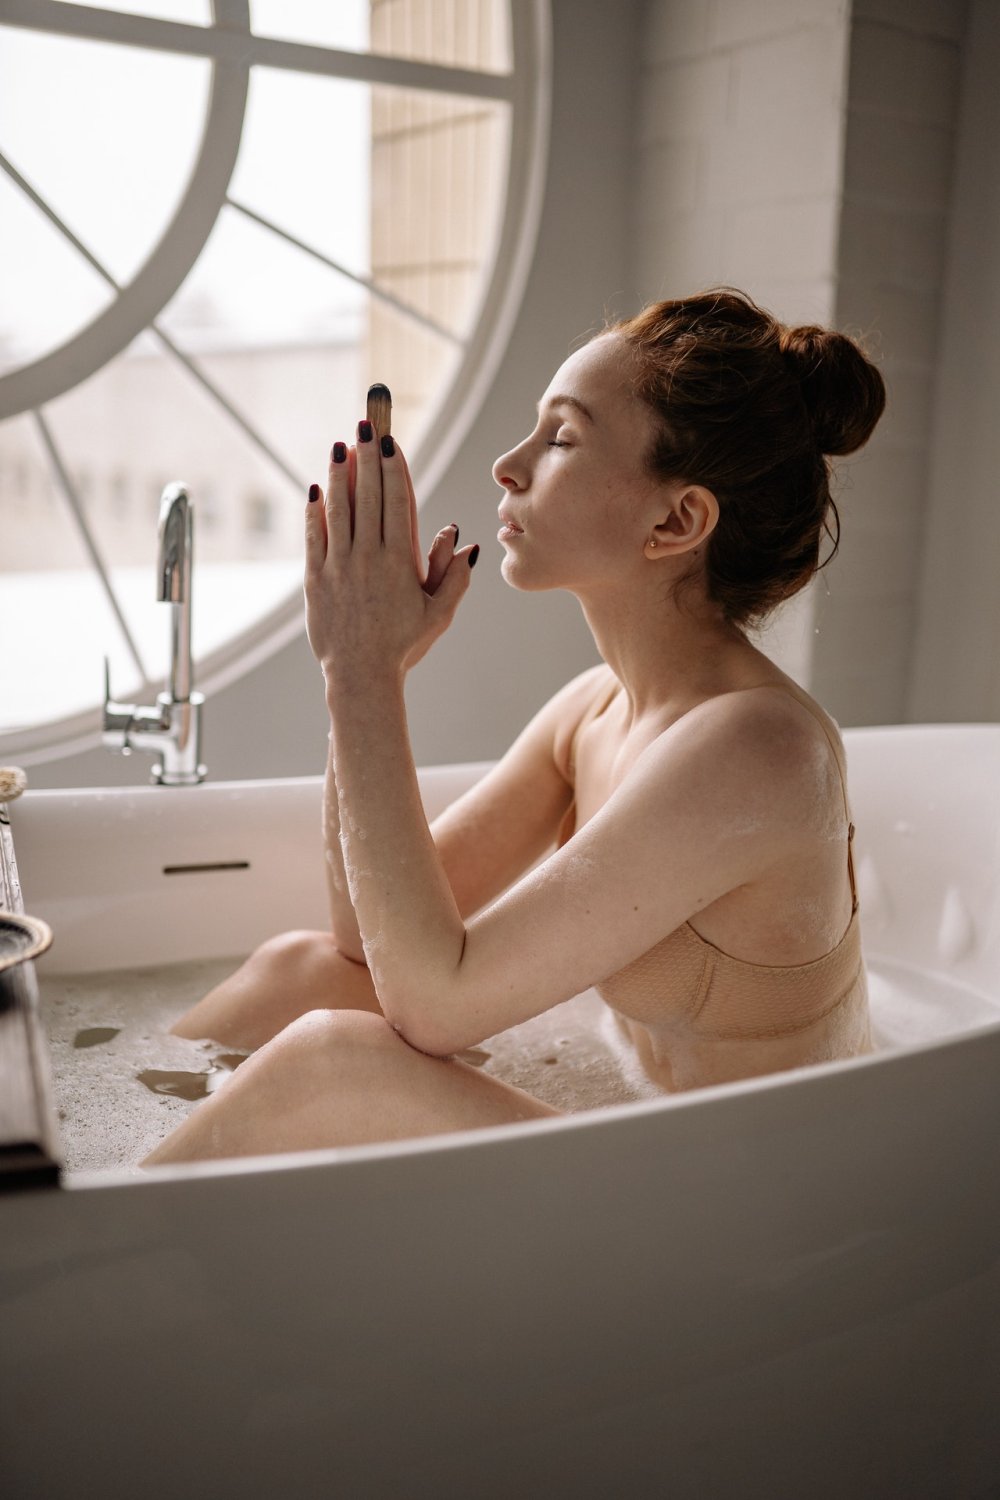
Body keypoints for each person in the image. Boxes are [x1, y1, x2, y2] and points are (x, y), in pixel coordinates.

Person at [143, 287, 886, 1167]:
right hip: (655, 1150)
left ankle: (65, 1268)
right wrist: (364, 671)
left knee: (330, 1065)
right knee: (299, 970)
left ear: (677, 521)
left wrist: (364, 675)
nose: (509, 463)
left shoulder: (757, 748)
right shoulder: (596, 710)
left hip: (756, 1204)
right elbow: (364, 941)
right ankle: (87, 1172)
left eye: (561, 437)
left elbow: (434, 1003)